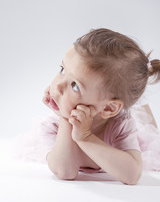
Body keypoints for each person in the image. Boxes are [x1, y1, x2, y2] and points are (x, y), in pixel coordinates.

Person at [42, 28, 160, 185]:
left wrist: (85, 137)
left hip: (126, 124)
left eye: (75, 85)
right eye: (62, 69)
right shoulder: (54, 126)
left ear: (108, 109)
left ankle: (141, 107)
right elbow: (64, 171)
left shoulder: (121, 124)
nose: (57, 86)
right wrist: (65, 117)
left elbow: (132, 175)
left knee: (151, 132)